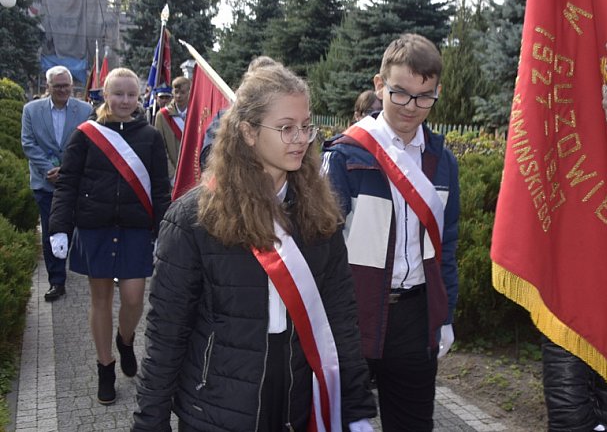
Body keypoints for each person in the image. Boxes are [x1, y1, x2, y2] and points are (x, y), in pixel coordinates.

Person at [133, 62, 377, 431]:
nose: (301, 138)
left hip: (297, 400)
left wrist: (355, 407)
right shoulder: (193, 218)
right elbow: (166, 333)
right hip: (216, 408)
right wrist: (150, 422)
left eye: (306, 126)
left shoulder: (320, 213)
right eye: (286, 128)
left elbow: (340, 316)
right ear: (248, 131)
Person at [322, 33, 460, 432]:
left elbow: (446, 244)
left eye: (424, 96)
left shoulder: (442, 161)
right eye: (400, 93)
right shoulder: (346, 155)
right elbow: (321, 245)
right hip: (354, 310)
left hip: (416, 317)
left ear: (437, 92)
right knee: (343, 422)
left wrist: (445, 314)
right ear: (380, 85)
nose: (411, 107)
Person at [48, 67, 171, 405]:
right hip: (95, 228)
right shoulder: (85, 135)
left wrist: (163, 231)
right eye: (118, 94)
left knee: (134, 298)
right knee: (100, 299)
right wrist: (59, 227)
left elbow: (161, 189)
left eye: (131, 94)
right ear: (105, 94)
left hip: (134, 229)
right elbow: (67, 184)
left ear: (139, 97)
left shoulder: (150, 136)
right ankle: (105, 366)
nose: (125, 100)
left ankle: (125, 339)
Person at [21, 65, 92, 302]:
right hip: (45, 183)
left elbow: (88, 144)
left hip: (76, 183)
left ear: (72, 86)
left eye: (66, 86)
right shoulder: (31, 110)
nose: (62, 90)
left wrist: (67, 170)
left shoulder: (85, 110)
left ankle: (81, 265)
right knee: (51, 229)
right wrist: (48, 169)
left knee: (74, 228)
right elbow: (28, 143)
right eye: (57, 86)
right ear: (48, 86)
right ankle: (56, 280)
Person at [153, 76, 190, 183]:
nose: (178, 96)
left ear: (190, 92)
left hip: (193, 173)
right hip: (172, 176)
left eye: (182, 92)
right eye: (176, 92)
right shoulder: (162, 115)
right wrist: (172, 175)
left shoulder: (197, 114)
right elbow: (160, 148)